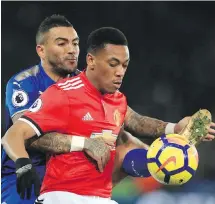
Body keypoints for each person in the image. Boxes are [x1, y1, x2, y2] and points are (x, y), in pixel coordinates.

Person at [2, 26, 215, 204]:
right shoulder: (63, 93)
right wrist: (24, 164)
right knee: (125, 144)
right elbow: (13, 135)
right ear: (91, 61)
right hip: (63, 196)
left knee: (135, 149)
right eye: (113, 64)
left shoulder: (118, 100)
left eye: (124, 65)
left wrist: (175, 128)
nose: (120, 72)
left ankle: (166, 158)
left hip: (101, 198)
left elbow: (136, 121)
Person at [1, 15, 112, 204]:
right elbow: (24, 136)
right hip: (26, 173)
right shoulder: (24, 83)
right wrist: (85, 143)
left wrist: (169, 130)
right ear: (41, 51)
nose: (72, 50)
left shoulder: (88, 85)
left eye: (75, 43)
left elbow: (122, 125)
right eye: (62, 44)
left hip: (70, 178)